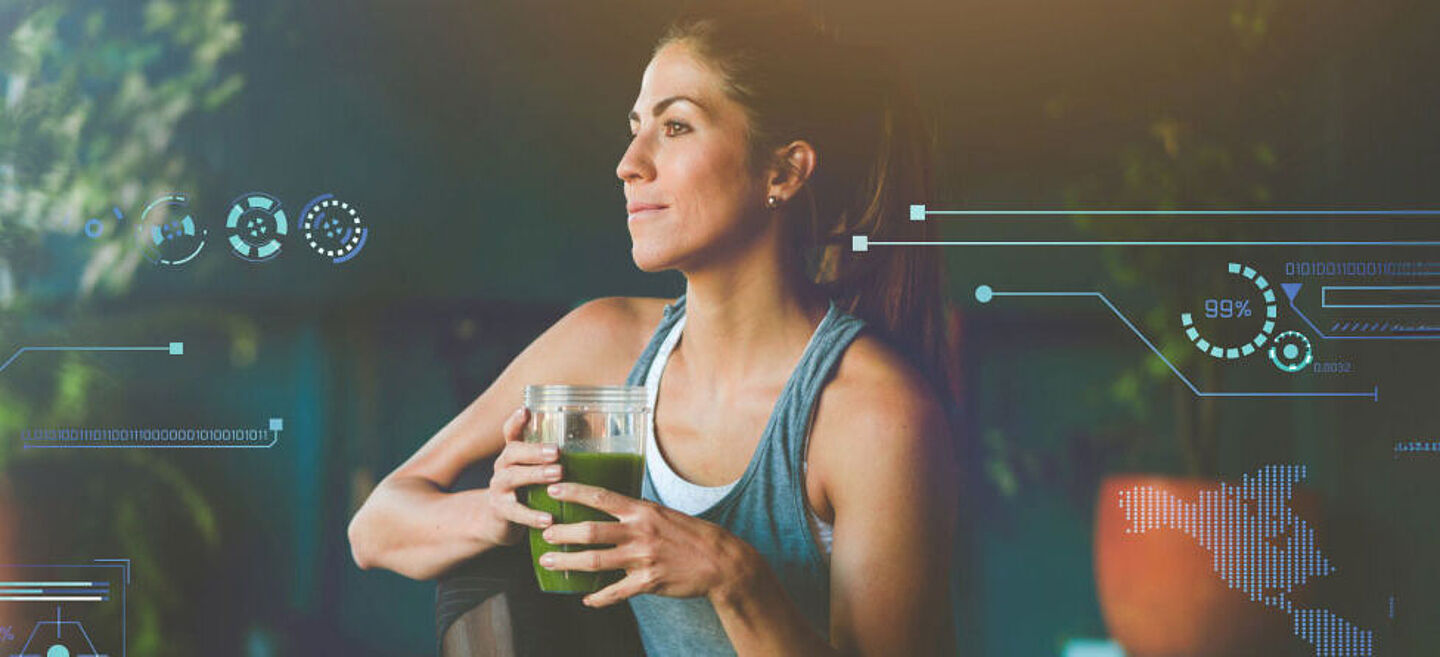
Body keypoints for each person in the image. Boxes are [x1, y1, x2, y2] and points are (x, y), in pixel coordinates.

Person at [348, 2, 959, 654]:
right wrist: (499, 514)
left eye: (675, 126)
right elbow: (375, 526)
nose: (629, 162)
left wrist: (734, 576)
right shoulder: (603, 343)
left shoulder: (872, 415)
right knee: (482, 564)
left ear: (781, 171)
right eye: (636, 127)